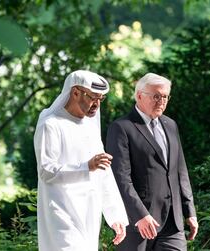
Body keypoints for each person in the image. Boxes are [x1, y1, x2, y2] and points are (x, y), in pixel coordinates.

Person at [34, 70, 129, 251]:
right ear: (75, 92)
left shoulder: (90, 128)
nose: (97, 104)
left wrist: (115, 215)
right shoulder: (51, 124)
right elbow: (46, 171)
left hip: (89, 214)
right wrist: (86, 166)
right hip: (60, 214)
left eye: (101, 99)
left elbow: (104, 172)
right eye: (93, 97)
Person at [106, 73, 198, 251]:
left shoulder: (170, 125)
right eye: (156, 96)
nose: (161, 101)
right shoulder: (121, 127)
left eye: (165, 96)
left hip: (173, 223)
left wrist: (189, 211)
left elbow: (180, 171)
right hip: (137, 224)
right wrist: (139, 215)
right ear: (139, 95)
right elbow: (120, 178)